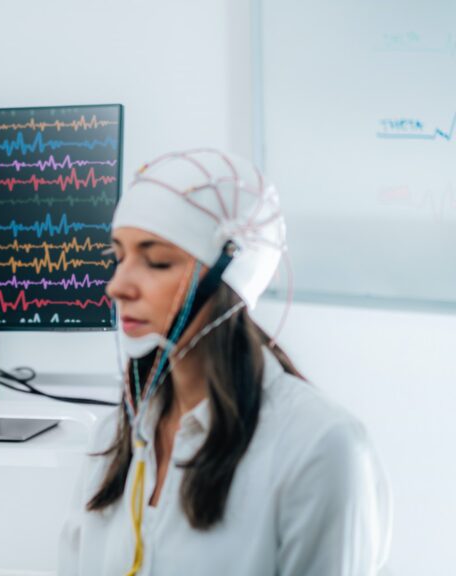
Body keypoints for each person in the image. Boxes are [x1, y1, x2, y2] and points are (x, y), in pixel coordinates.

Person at [59, 149, 392, 575]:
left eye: (156, 261)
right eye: (118, 257)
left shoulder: (321, 446)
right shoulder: (112, 437)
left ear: (229, 274)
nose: (117, 286)